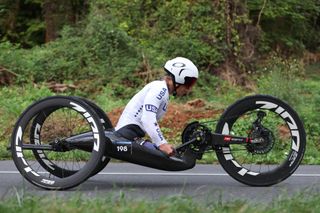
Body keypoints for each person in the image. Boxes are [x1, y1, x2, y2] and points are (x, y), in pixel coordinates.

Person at [115, 57, 198, 156]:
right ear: (177, 79)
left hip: (132, 132)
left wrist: (162, 143)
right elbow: (147, 119)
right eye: (189, 83)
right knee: (165, 156)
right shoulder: (159, 89)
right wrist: (162, 144)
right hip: (127, 133)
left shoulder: (163, 91)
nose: (189, 89)